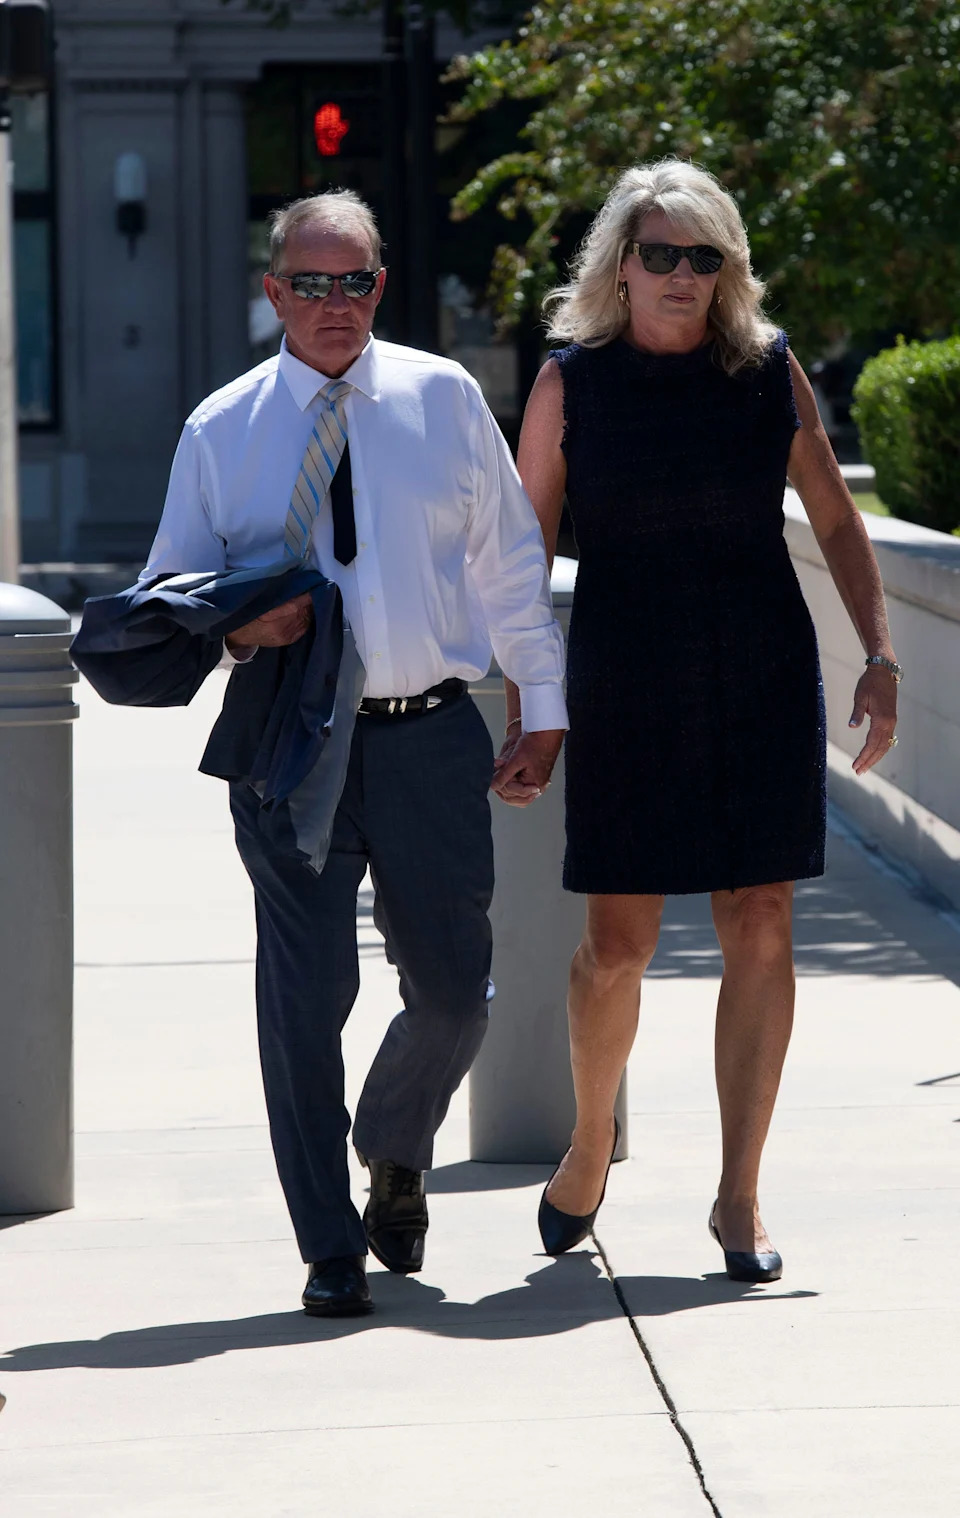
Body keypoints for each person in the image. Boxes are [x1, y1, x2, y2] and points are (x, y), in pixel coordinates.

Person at [146, 190, 567, 1316]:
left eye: (357, 281)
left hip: (430, 734)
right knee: (304, 999)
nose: (336, 302)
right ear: (274, 291)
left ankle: (393, 1140)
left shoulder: (443, 397)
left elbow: (509, 564)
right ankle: (329, 1246)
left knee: (455, 994)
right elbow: (168, 593)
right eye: (311, 283)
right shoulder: (221, 429)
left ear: (380, 287)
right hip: (289, 742)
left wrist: (542, 705)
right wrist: (244, 626)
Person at [492, 159, 899, 1283]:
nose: (681, 273)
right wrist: (533, 712)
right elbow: (522, 556)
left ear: (728, 270)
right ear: (621, 265)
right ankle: (590, 1141)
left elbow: (836, 518)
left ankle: (740, 1195)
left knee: (762, 920)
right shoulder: (571, 382)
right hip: (625, 679)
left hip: (759, 674)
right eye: (660, 253)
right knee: (618, 948)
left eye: (702, 255)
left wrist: (878, 656)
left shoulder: (767, 371)